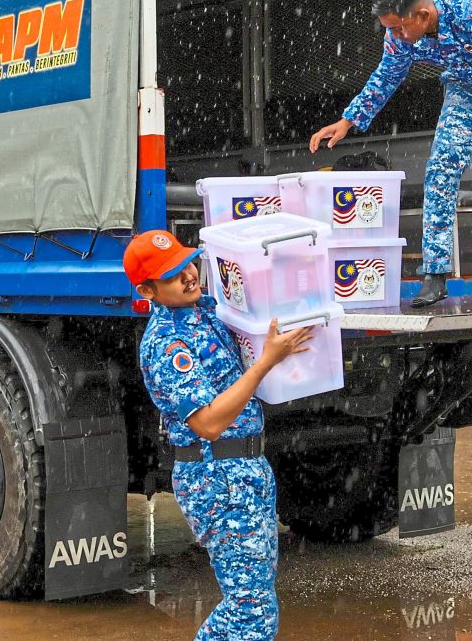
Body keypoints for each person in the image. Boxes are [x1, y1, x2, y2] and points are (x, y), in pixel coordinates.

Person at [309, 0, 472, 308]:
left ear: (422, 15)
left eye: (398, 28)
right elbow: (387, 75)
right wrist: (347, 121)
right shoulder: (399, 36)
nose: (394, 35)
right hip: (467, 87)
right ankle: (435, 276)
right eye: (389, 29)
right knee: (440, 170)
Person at [125, 229, 312, 640]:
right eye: (173, 275)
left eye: (186, 264)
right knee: (249, 609)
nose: (189, 275)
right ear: (148, 290)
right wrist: (265, 364)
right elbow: (207, 423)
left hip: (248, 469)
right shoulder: (164, 343)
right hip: (217, 477)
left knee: (259, 602)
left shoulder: (206, 312)